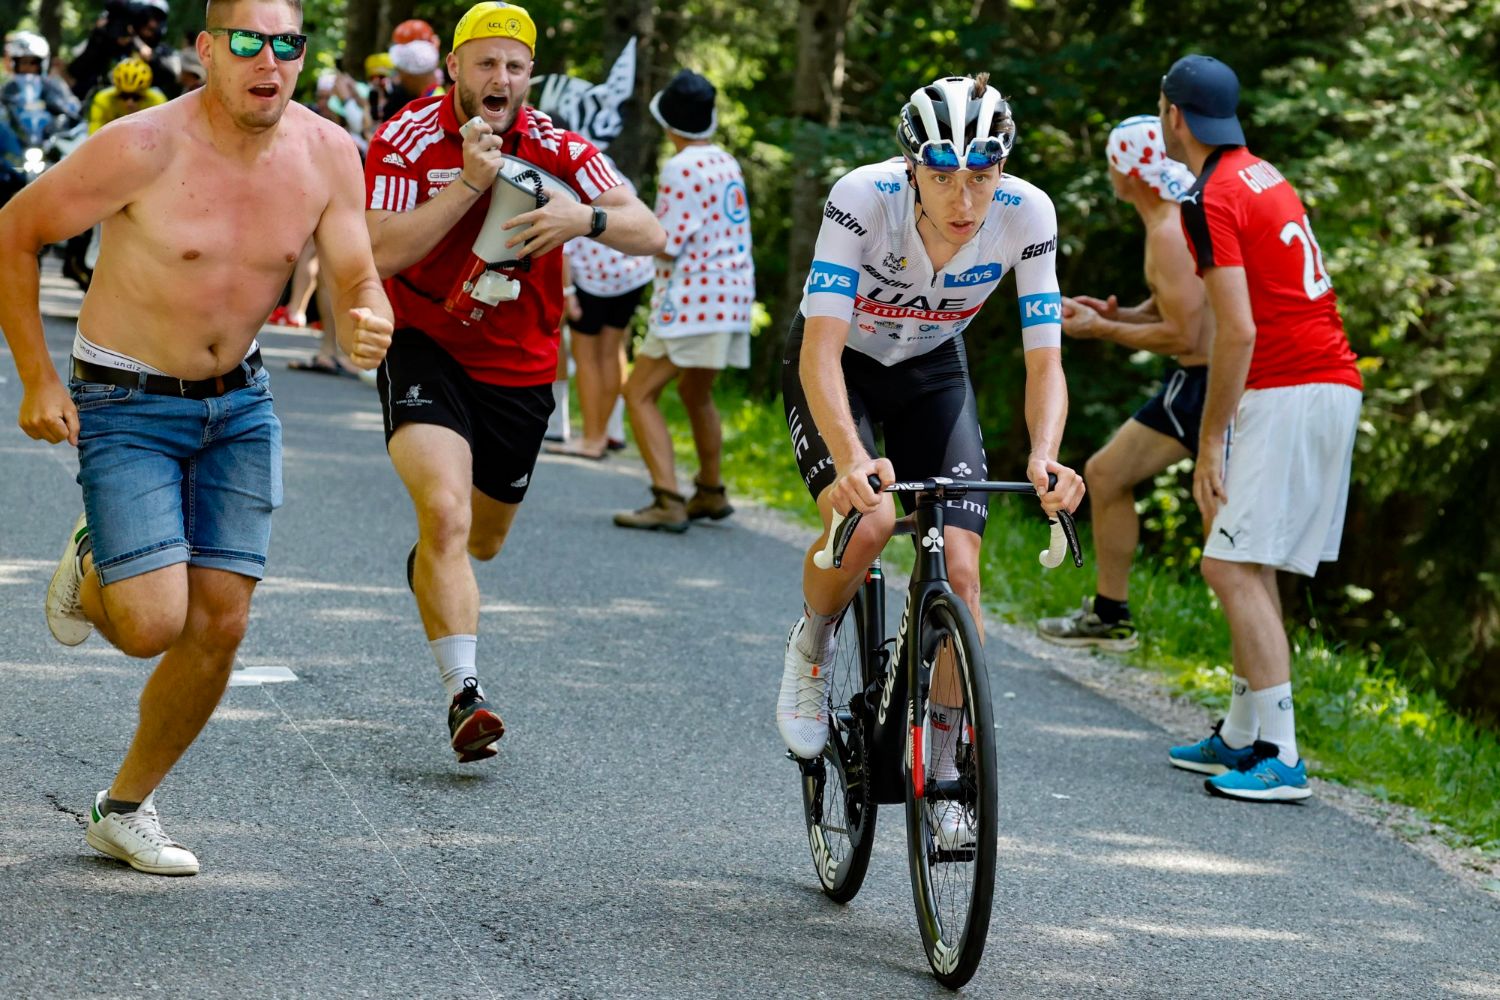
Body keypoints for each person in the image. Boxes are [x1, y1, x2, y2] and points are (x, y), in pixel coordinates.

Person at [0, 0, 393, 876]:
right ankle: (99, 555)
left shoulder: (329, 151)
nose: (270, 59)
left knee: (221, 622)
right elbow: (15, 231)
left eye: (287, 43)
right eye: (248, 40)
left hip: (239, 406)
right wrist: (35, 375)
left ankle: (125, 808)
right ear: (209, 49)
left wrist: (371, 316)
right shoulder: (142, 146)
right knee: (150, 626)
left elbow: (359, 270)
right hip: (126, 400)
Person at [775, 74, 1085, 846]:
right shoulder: (862, 197)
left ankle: (944, 769)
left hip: (933, 371)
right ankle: (813, 646)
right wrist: (851, 457)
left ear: (1002, 168)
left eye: (981, 176)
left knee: (964, 571)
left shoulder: (1029, 213)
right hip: (841, 364)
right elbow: (818, 355)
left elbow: (1044, 360)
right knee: (872, 521)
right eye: (943, 176)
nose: (964, 198)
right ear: (910, 165)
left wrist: (1047, 455)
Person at [364, 1, 664, 763]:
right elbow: (380, 250)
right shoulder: (403, 139)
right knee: (445, 511)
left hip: (522, 366)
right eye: (486, 63)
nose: (500, 78)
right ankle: (465, 693)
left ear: (530, 77)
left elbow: (650, 230)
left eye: (515, 66)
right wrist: (467, 184)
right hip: (425, 341)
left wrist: (581, 219)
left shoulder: (559, 145)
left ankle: (436, 564)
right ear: (455, 68)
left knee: (481, 542)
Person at [1157, 55, 1362, 802]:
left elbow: (1235, 331)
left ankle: (1282, 753)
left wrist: (1209, 442)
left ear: (1174, 115)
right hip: (1323, 381)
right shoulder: (1261, 173)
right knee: (1249, 556)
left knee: (1228, 564)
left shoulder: (1208, 196)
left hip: (1291, 386)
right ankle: (1244, 733)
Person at [1036, 114, 1211, 651]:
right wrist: (1116, 314)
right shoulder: (1171, 219)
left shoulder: (1167, 233)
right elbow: (1172, 312)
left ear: (1129, 170)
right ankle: (1110, 615)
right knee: (1106, 474)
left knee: (1221, 532)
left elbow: (1188, 338)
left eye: (1113, 158)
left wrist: (1102, 328)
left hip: (1206, 384)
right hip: (1198, 380)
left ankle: (1253, 669)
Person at [612, 70, 754, 531]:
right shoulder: (725, 162)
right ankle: (710, 490)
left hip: (692, 300)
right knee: (696, 391)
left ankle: (667, 498)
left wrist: (617, 234)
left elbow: (666, 241)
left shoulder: (680, 167)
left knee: (638, 393)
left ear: (669, 124)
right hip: (731, 297)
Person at [537, 40, 649, 459]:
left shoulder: (554, 177)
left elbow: (563, 244)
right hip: (634, 273)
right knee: (611, 352)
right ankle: (607, 431)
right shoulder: (599, 163)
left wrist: (566, 296)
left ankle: (593, 438)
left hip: (596, 281)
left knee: (588, 358)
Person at [88, 57, 168, 134]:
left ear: (145, 93)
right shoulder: (103, 99)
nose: (129, 103)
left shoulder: (158, 101)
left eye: (136, 97)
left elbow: (165, 133)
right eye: (124, 96)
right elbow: (94, 133)